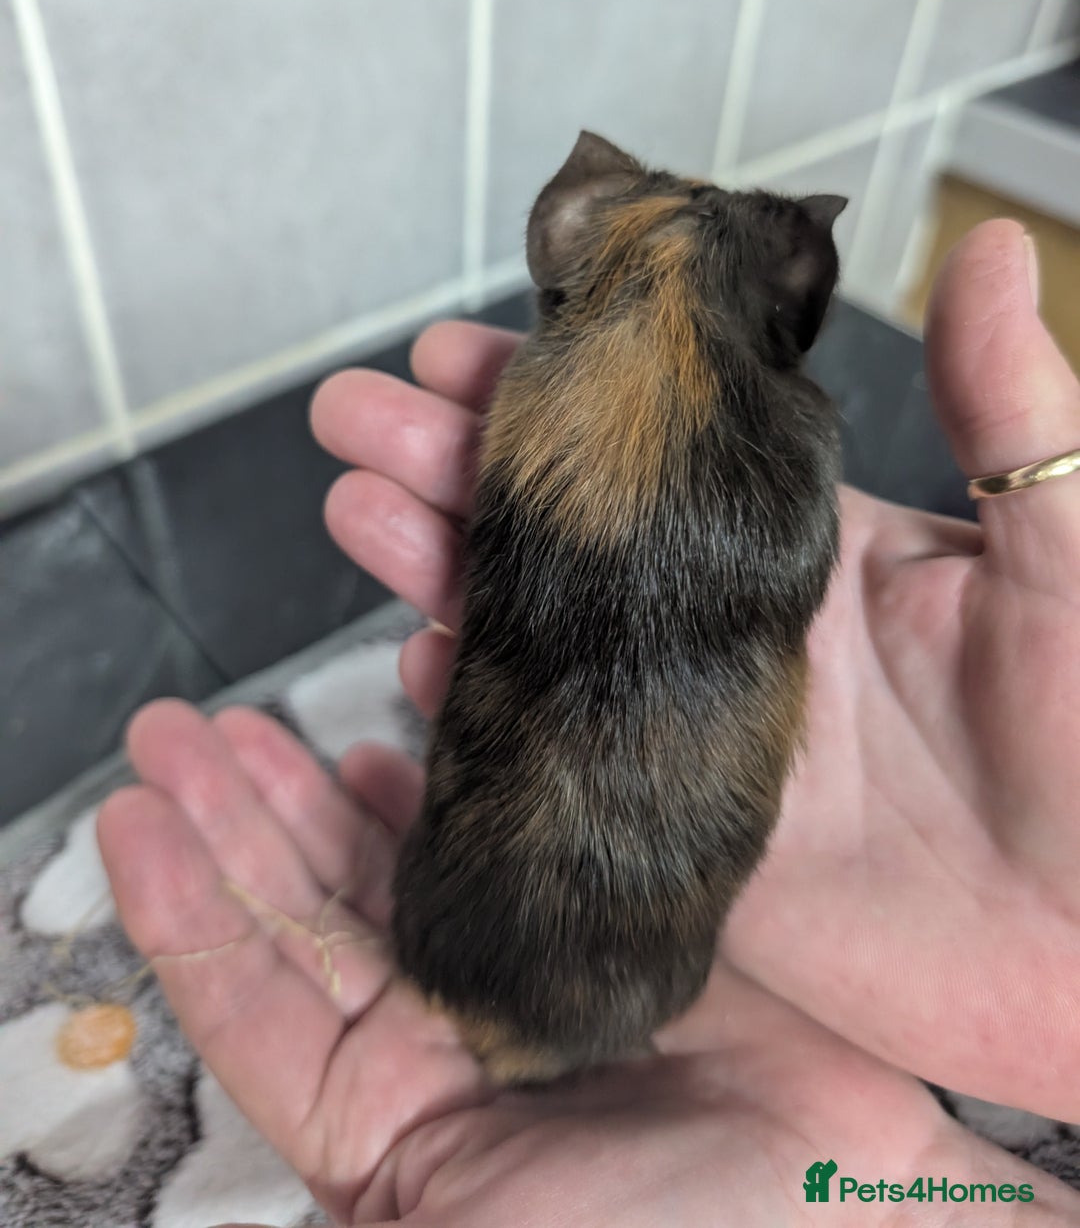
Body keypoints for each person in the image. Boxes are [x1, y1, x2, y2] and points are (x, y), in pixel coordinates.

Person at [97, 220, 1080, 1225]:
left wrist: (909, 1183)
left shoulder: (576, 410)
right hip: (615, 965)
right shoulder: (770, 445)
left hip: (562, 955)